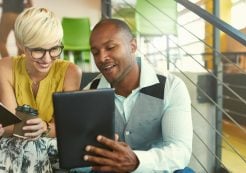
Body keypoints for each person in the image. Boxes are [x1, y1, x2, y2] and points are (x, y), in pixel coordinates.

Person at [83, 18, 193, 173]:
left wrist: (137, 161)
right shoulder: (89, 94)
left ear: (133, 46)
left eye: (110, 47)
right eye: (95, 52)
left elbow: (180, 151)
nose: (101, 58)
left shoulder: (171, 86)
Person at [0, 7, 81, 172]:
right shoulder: (5, 67)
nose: (47, 59)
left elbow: (66, 128)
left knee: (28, 149)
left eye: (54, 49)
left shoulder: (71, 72)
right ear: (21, 45)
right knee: (22, 147)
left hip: (52, 143)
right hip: (15, 143)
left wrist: (44, 127)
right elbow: (12, 126)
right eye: (38, 50)